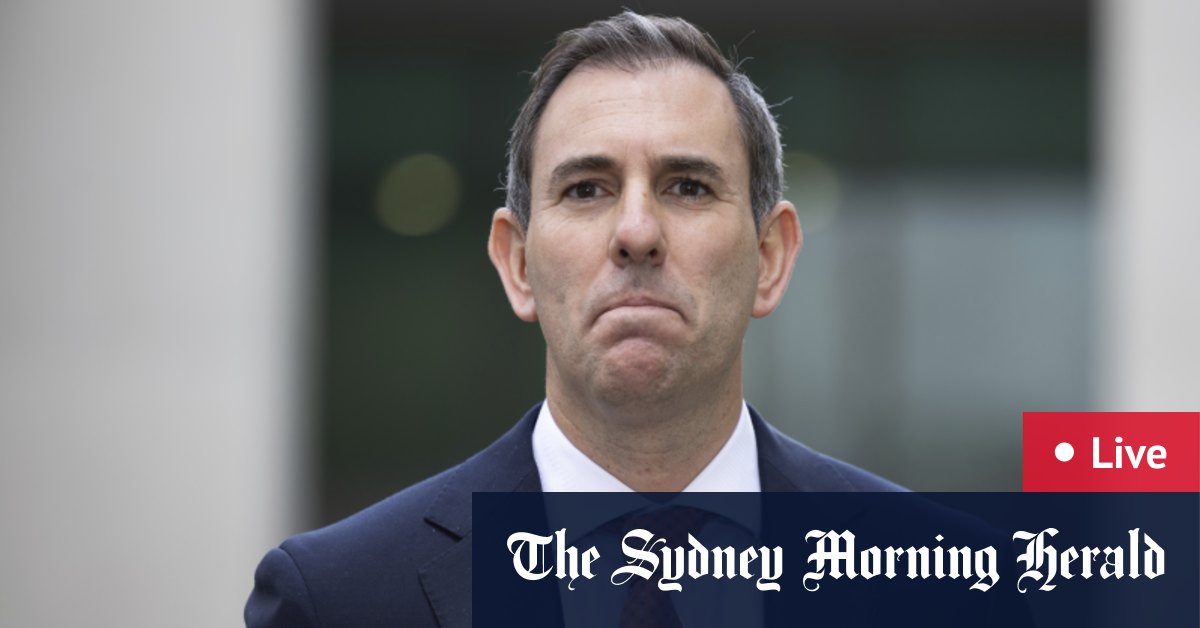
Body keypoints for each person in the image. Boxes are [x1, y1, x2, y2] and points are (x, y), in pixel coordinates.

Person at [245, 11, 902, 628]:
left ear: (770, 257)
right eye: (587, 189)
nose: (637, 233)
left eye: (688, 186)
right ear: (517, 264)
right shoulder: (336, 600)